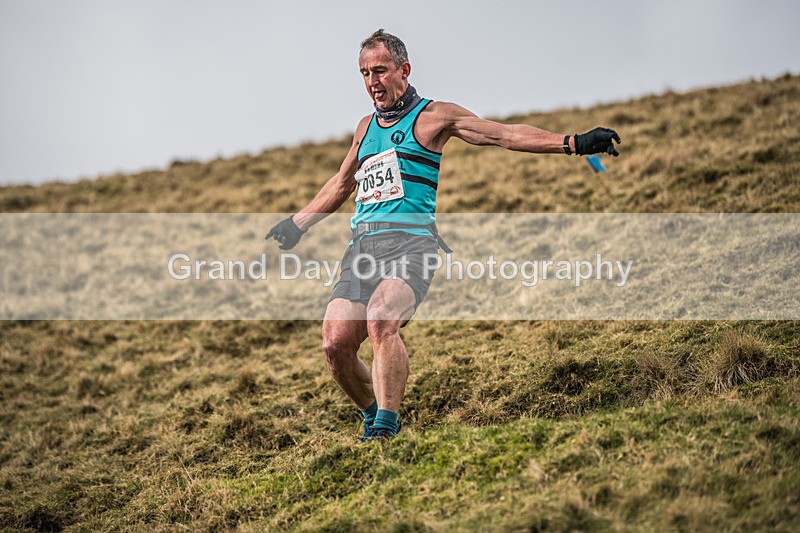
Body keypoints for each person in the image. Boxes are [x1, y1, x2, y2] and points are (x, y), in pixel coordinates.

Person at [266, 29, 621, 441]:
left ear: (404, 70)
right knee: (335, 346)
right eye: (364, 73)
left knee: (382, 320)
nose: (372, 82)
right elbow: (343, 183)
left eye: (379, 71)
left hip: (412, 245)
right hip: (362, 248)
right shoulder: (365, 128)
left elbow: (501, 134)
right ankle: (372, 413)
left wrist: (573, 143)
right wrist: (297, 223)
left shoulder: (435, 117)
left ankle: (385, 429)